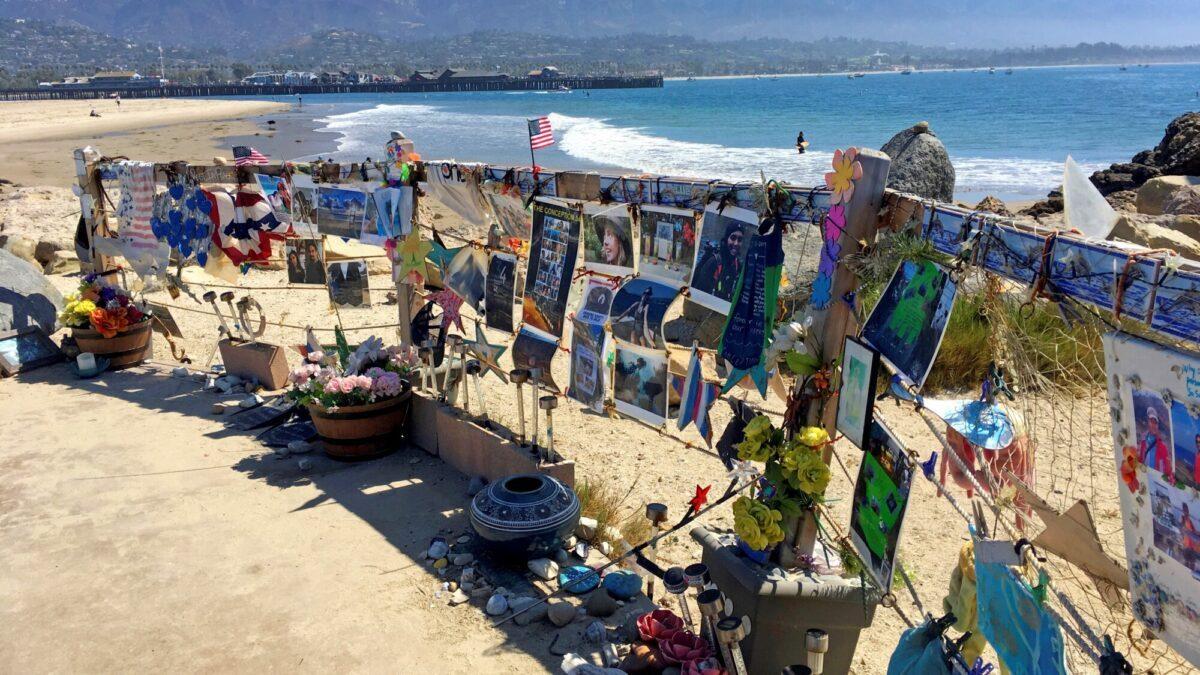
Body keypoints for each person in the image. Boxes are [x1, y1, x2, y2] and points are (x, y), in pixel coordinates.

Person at [692, 221, 746, 299]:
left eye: (740, 239)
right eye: (733, 238)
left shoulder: (738, 266)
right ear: (727, 238)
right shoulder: (713, 262)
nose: (736, 243)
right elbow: (698, 293)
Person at [1139, 407, 1172, 475]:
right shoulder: (1143, 443)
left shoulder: (1163, 447)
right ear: (1148, 422)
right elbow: (1140, 459)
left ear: (1158, 425)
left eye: (1155, 422)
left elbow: (1168, 469)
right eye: (1152, 421)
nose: (1153, 425)